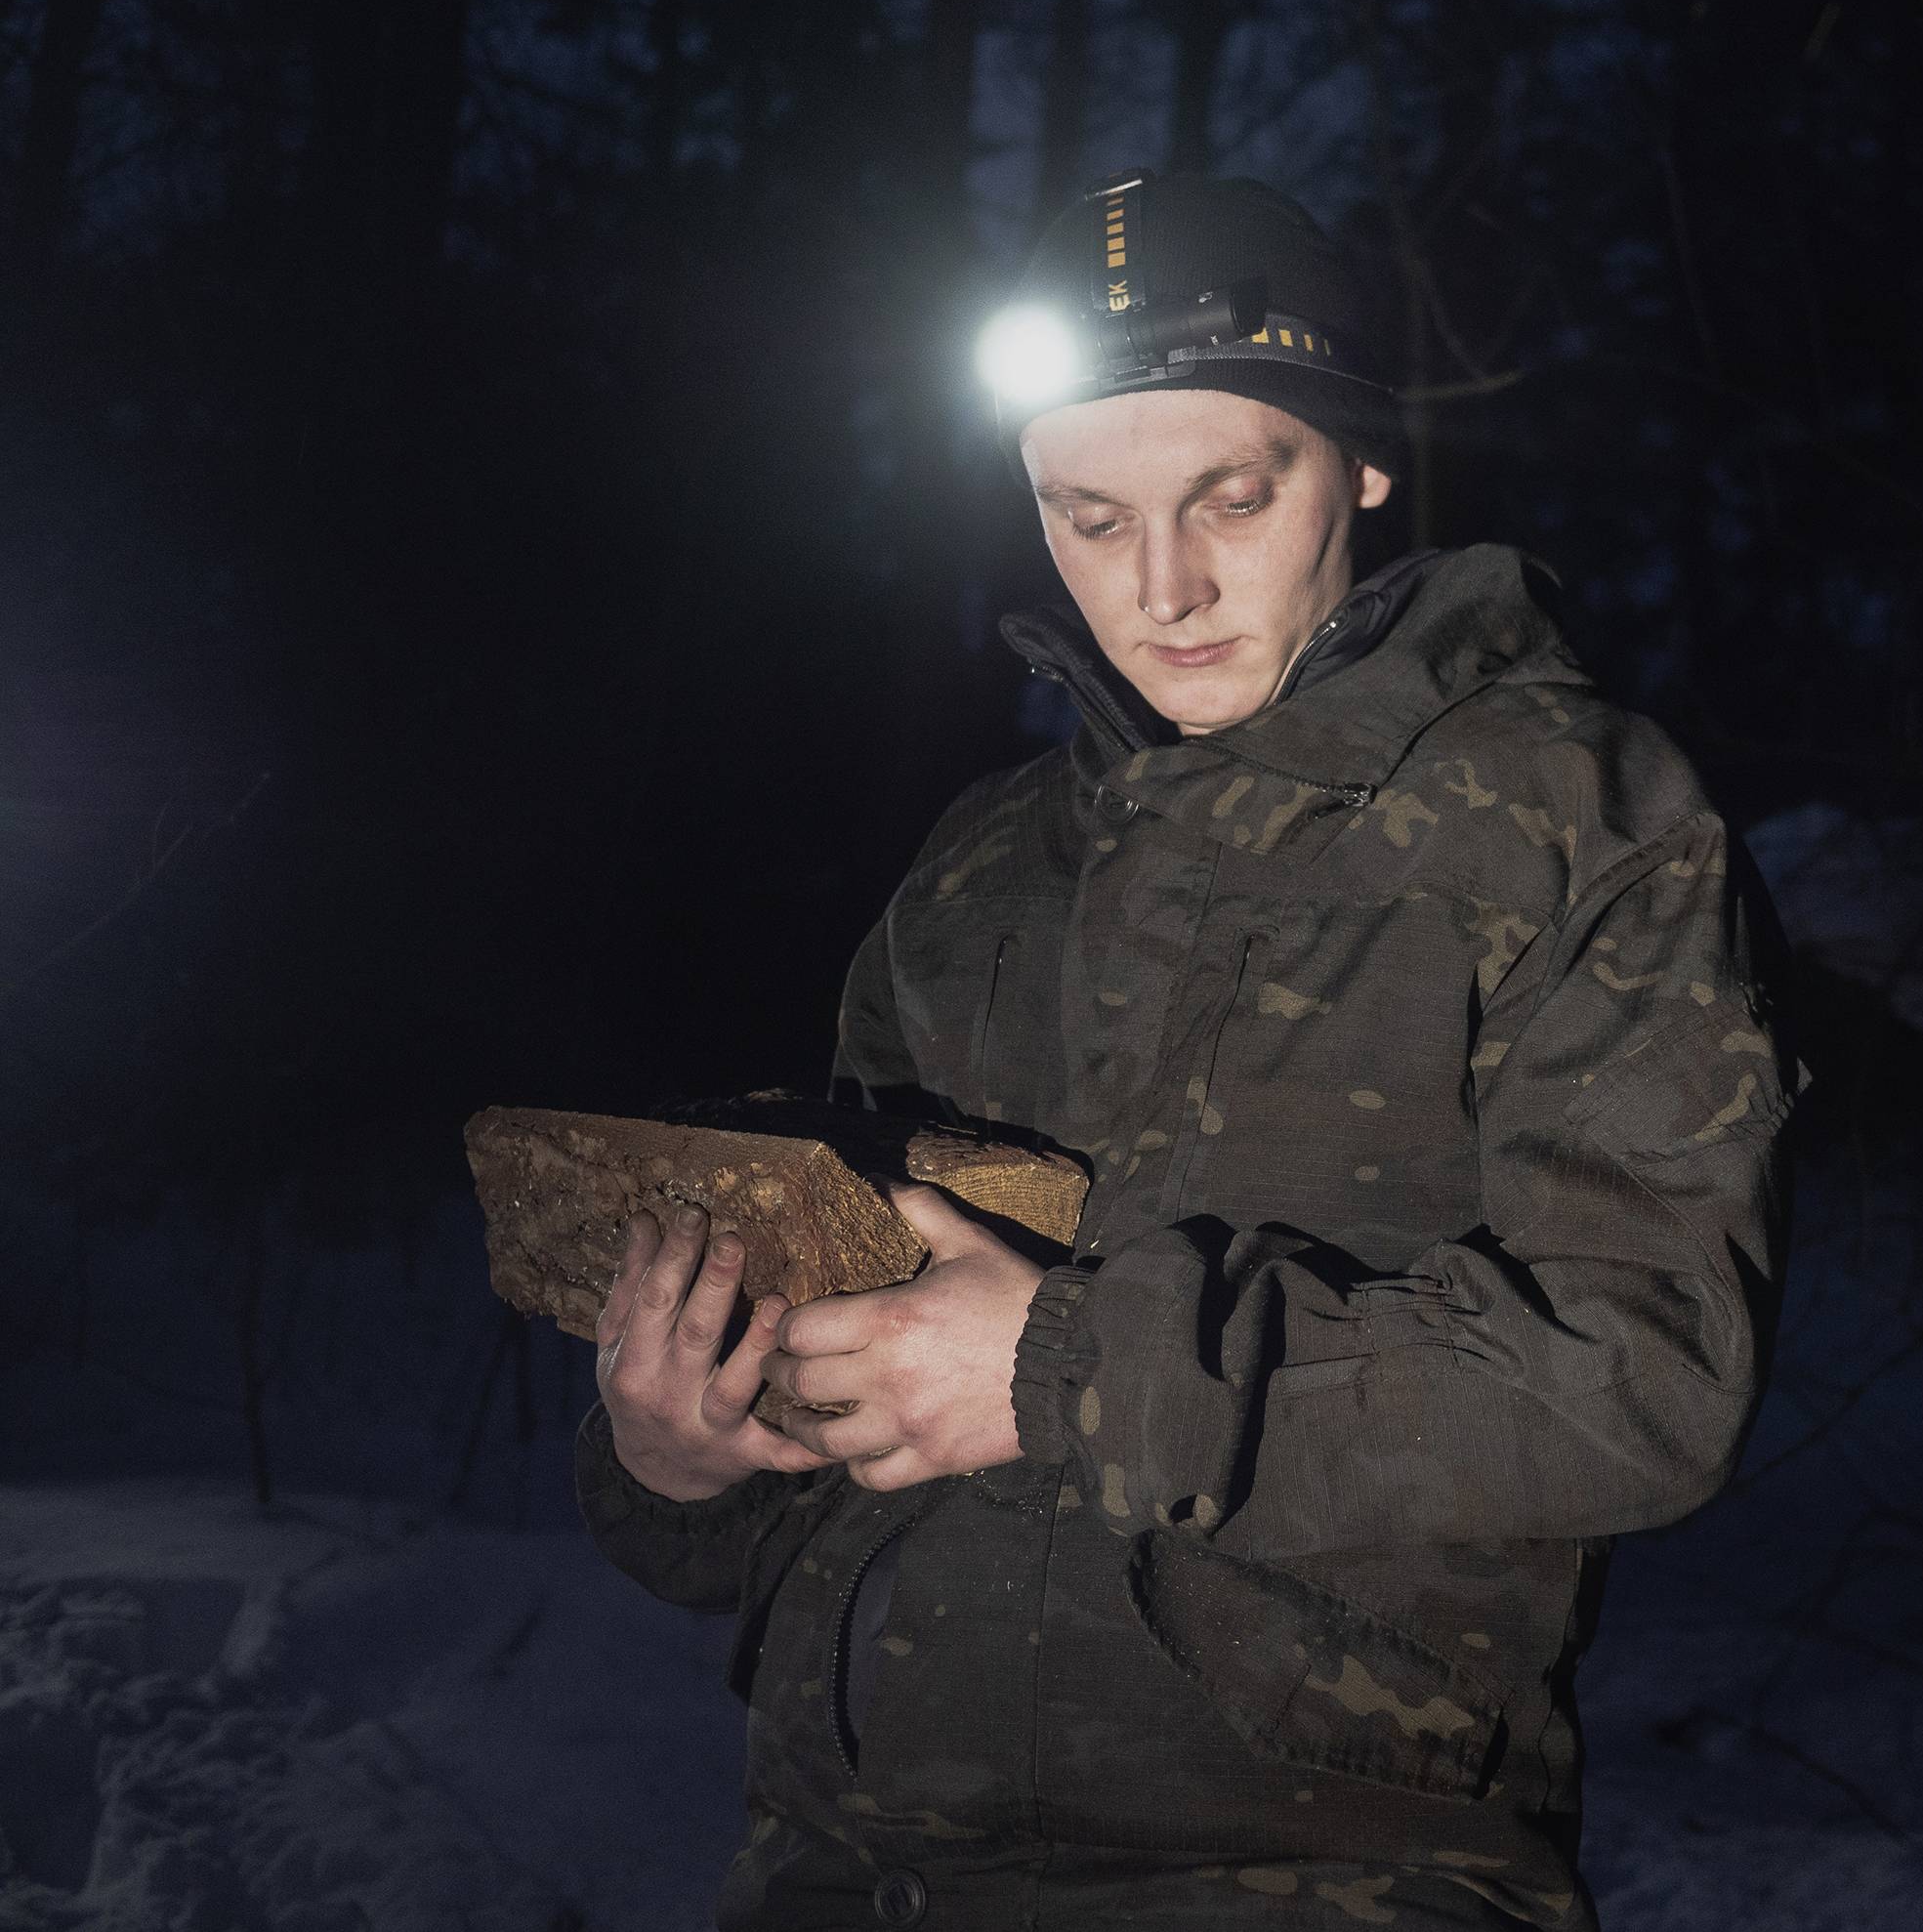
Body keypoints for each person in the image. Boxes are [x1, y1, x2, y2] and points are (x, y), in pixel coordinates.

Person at [573, 171, 1800, 1929]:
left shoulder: (1569, 817)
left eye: (1233, 494)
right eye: (1085, 514)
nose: (1160, 587)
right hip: (843, 1864)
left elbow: (1647, 1377)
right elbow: (855, 1376)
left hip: (1320, 1866)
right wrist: (684, 1457)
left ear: (1361, 461)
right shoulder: (979, 865)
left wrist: (1058, 1368)